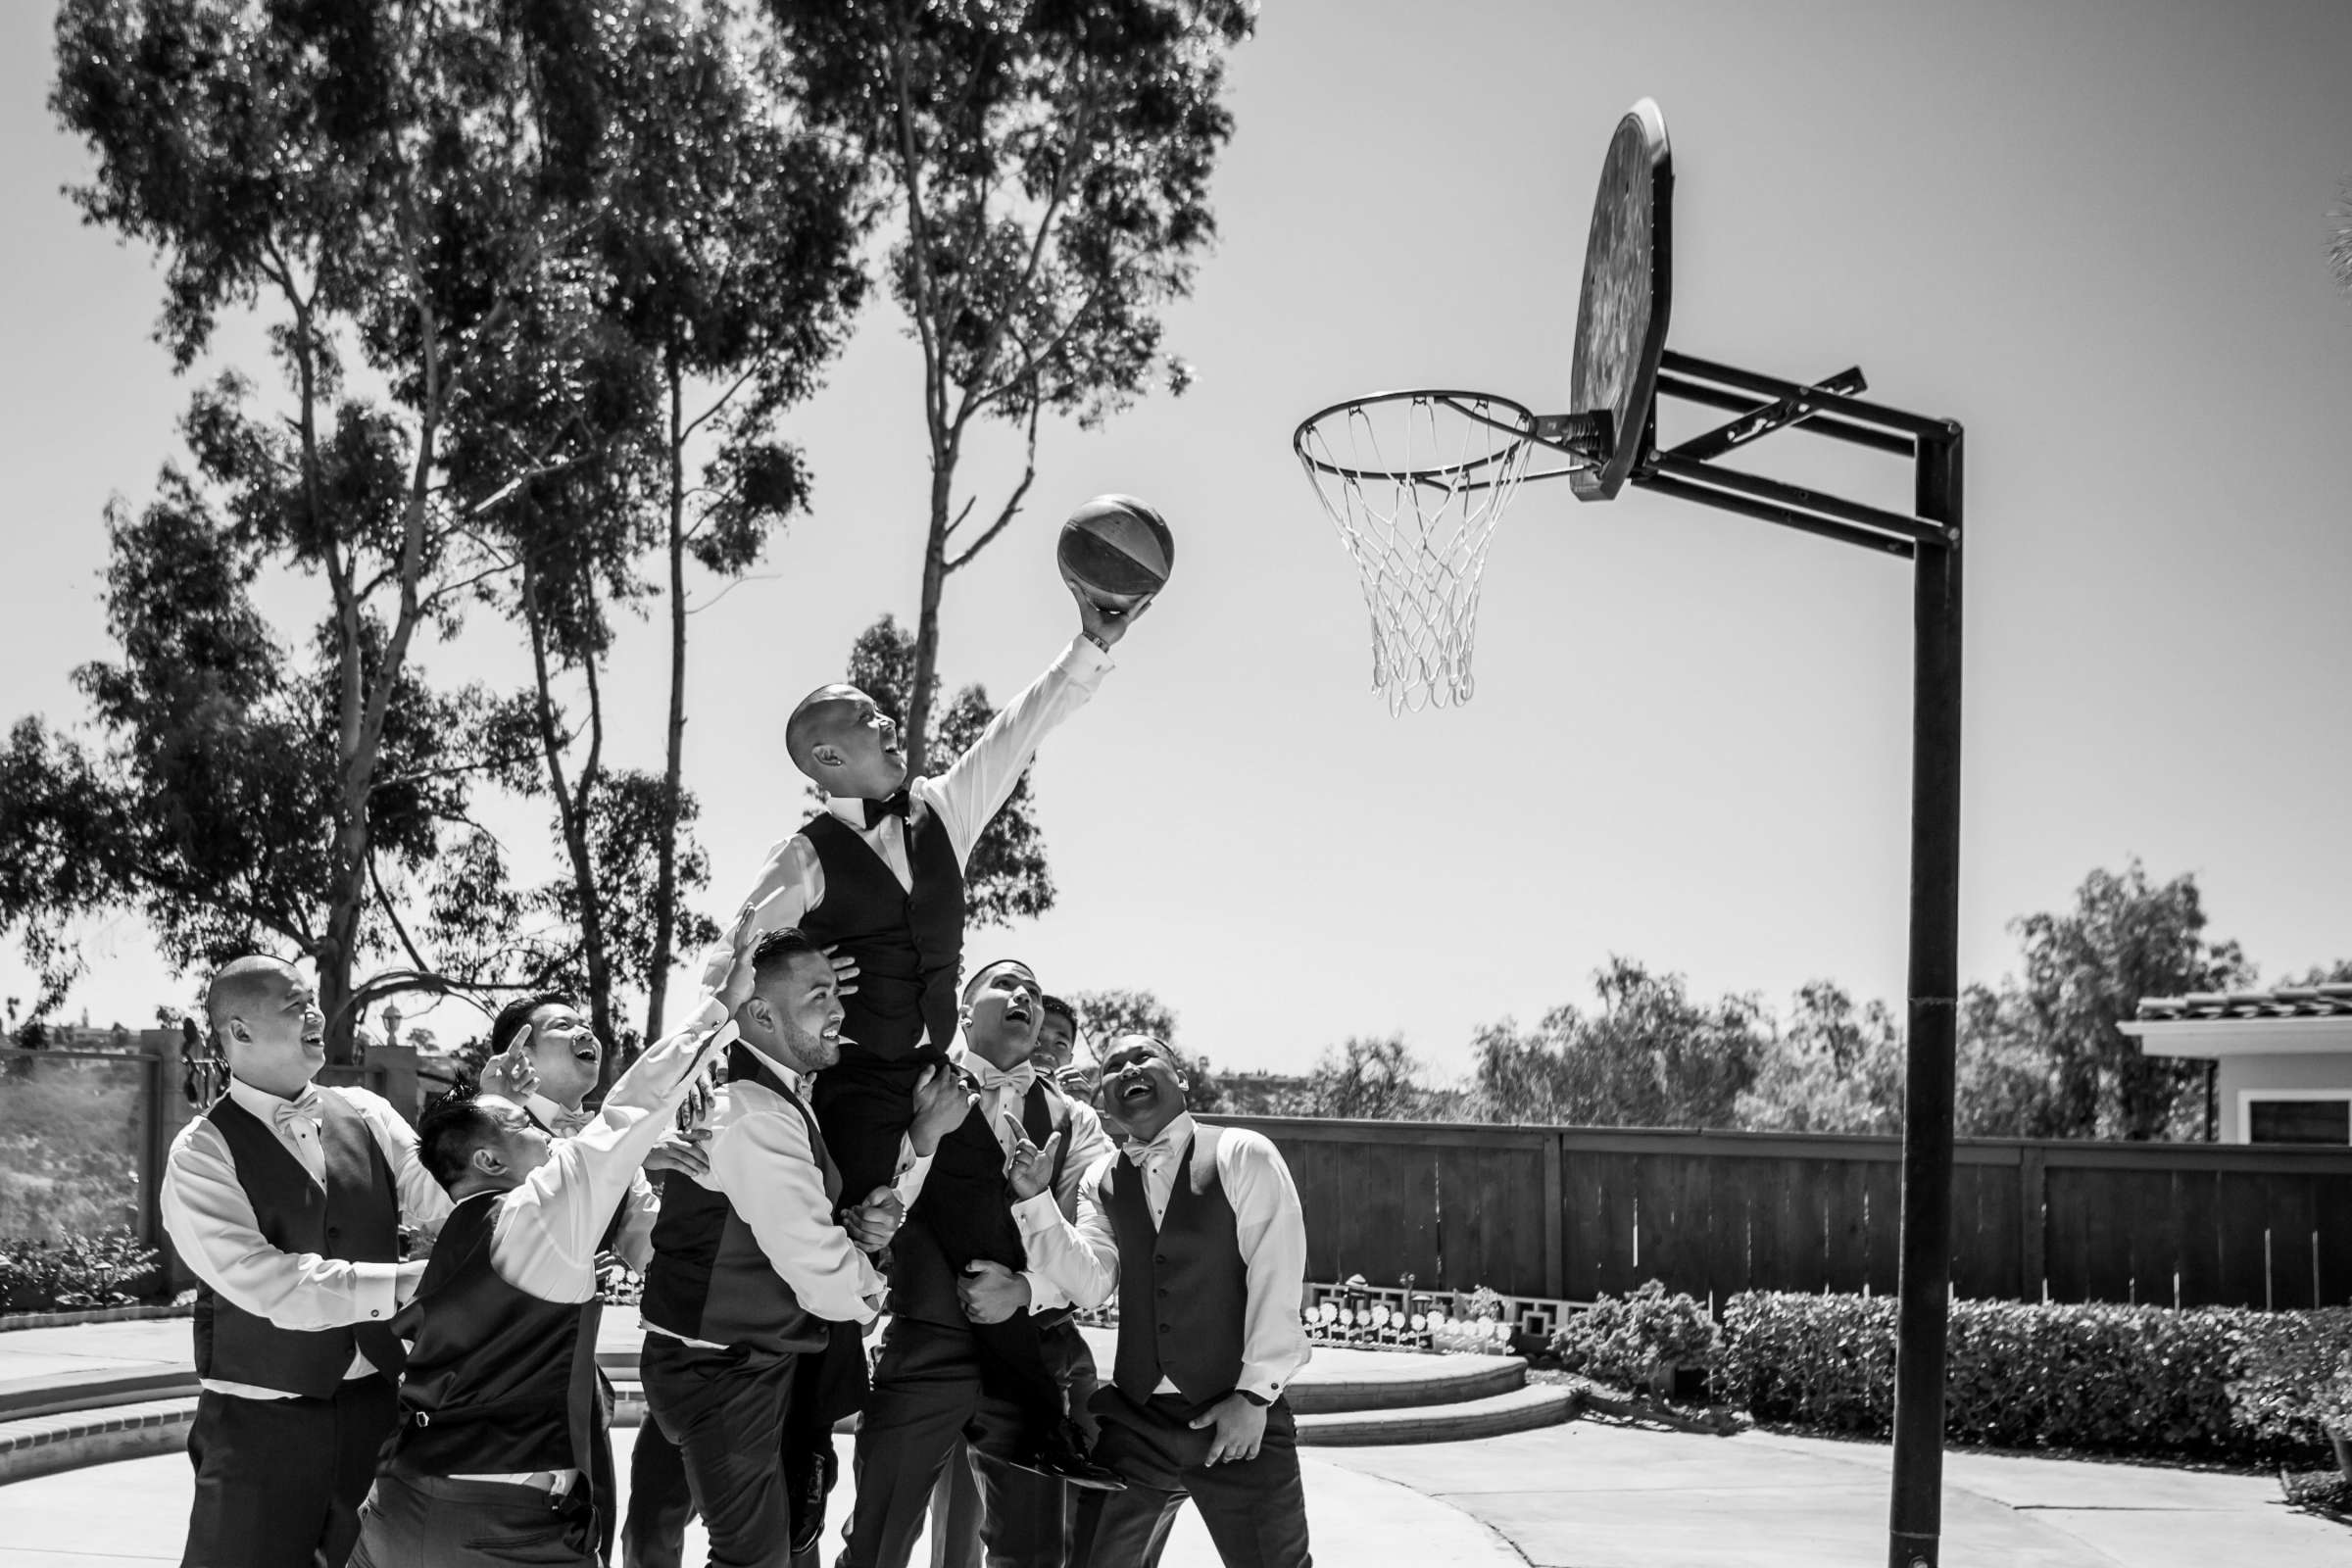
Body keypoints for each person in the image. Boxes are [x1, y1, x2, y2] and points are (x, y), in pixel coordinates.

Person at [696, 580, 1145, 1204]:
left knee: (975, 1226)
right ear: (827, 755)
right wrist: (782, 998)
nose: (884, 720)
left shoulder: (941, 809)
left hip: (942, 1079)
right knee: (852, 1246)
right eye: (864, 717)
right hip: (854, 1089)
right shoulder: (802, 857)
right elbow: (727, 969)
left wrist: (1092, 642)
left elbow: (1015, 736)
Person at [347, 918, 765, 1568]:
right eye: (559, 1025)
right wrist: (719, 1007)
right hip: (485, 1482)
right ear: (518, 1056)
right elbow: (631, 1106)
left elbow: (657, 1251)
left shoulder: (601, 1162)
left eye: (584, 1020)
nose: (583, 1031)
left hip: (547, 1416)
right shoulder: (506, 1155)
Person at [640, 927, 973, 1568]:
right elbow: (822, 1277)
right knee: (756, 1558)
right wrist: (869, 1280)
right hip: (723, 1370)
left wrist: (861, 1226)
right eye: (820, 995)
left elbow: (803, 1229)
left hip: (752, 1365)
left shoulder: (784, 1097)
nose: (841, 1011)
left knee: (782, 1544)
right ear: (760, 1012)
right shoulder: (756, 1112)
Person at [161, 956, 454, 1568]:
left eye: (313, 1000)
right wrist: (404, 1282)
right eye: (296, 1004)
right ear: (239, 1031)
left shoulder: (368, 1114)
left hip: (377, 1410)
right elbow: (268, 1283)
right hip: (257, 1425)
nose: (316, 1013)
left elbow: (453, 1206)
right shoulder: (200, 1153)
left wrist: (502, 1111)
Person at [838, 958, 1119, 1568]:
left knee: (1030, 1551)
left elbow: (1095, 1264)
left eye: (1036, 992)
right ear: (964, 1010)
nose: (1026, 996)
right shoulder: (908, 1084)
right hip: (924, 1346)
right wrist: (923, 1136)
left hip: (1029, 1355)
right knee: (877, 1543)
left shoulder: (1077, 1122)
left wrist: (1025, 1288)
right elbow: (867, 1208)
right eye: (1006, 984)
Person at [1016, 1036, 1314, 1568]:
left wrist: (1255, 1397)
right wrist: (1037, 1201)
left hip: (1237, 1420)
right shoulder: (1098, 1179)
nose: (1129, 1067)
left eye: (1144, 1057)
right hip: (1139, 1421)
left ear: (1180, 1080)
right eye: (1113, 1065)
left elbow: (1278, 1274)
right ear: (1104, 1097)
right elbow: (1091, 1283)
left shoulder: (1241, 1153)